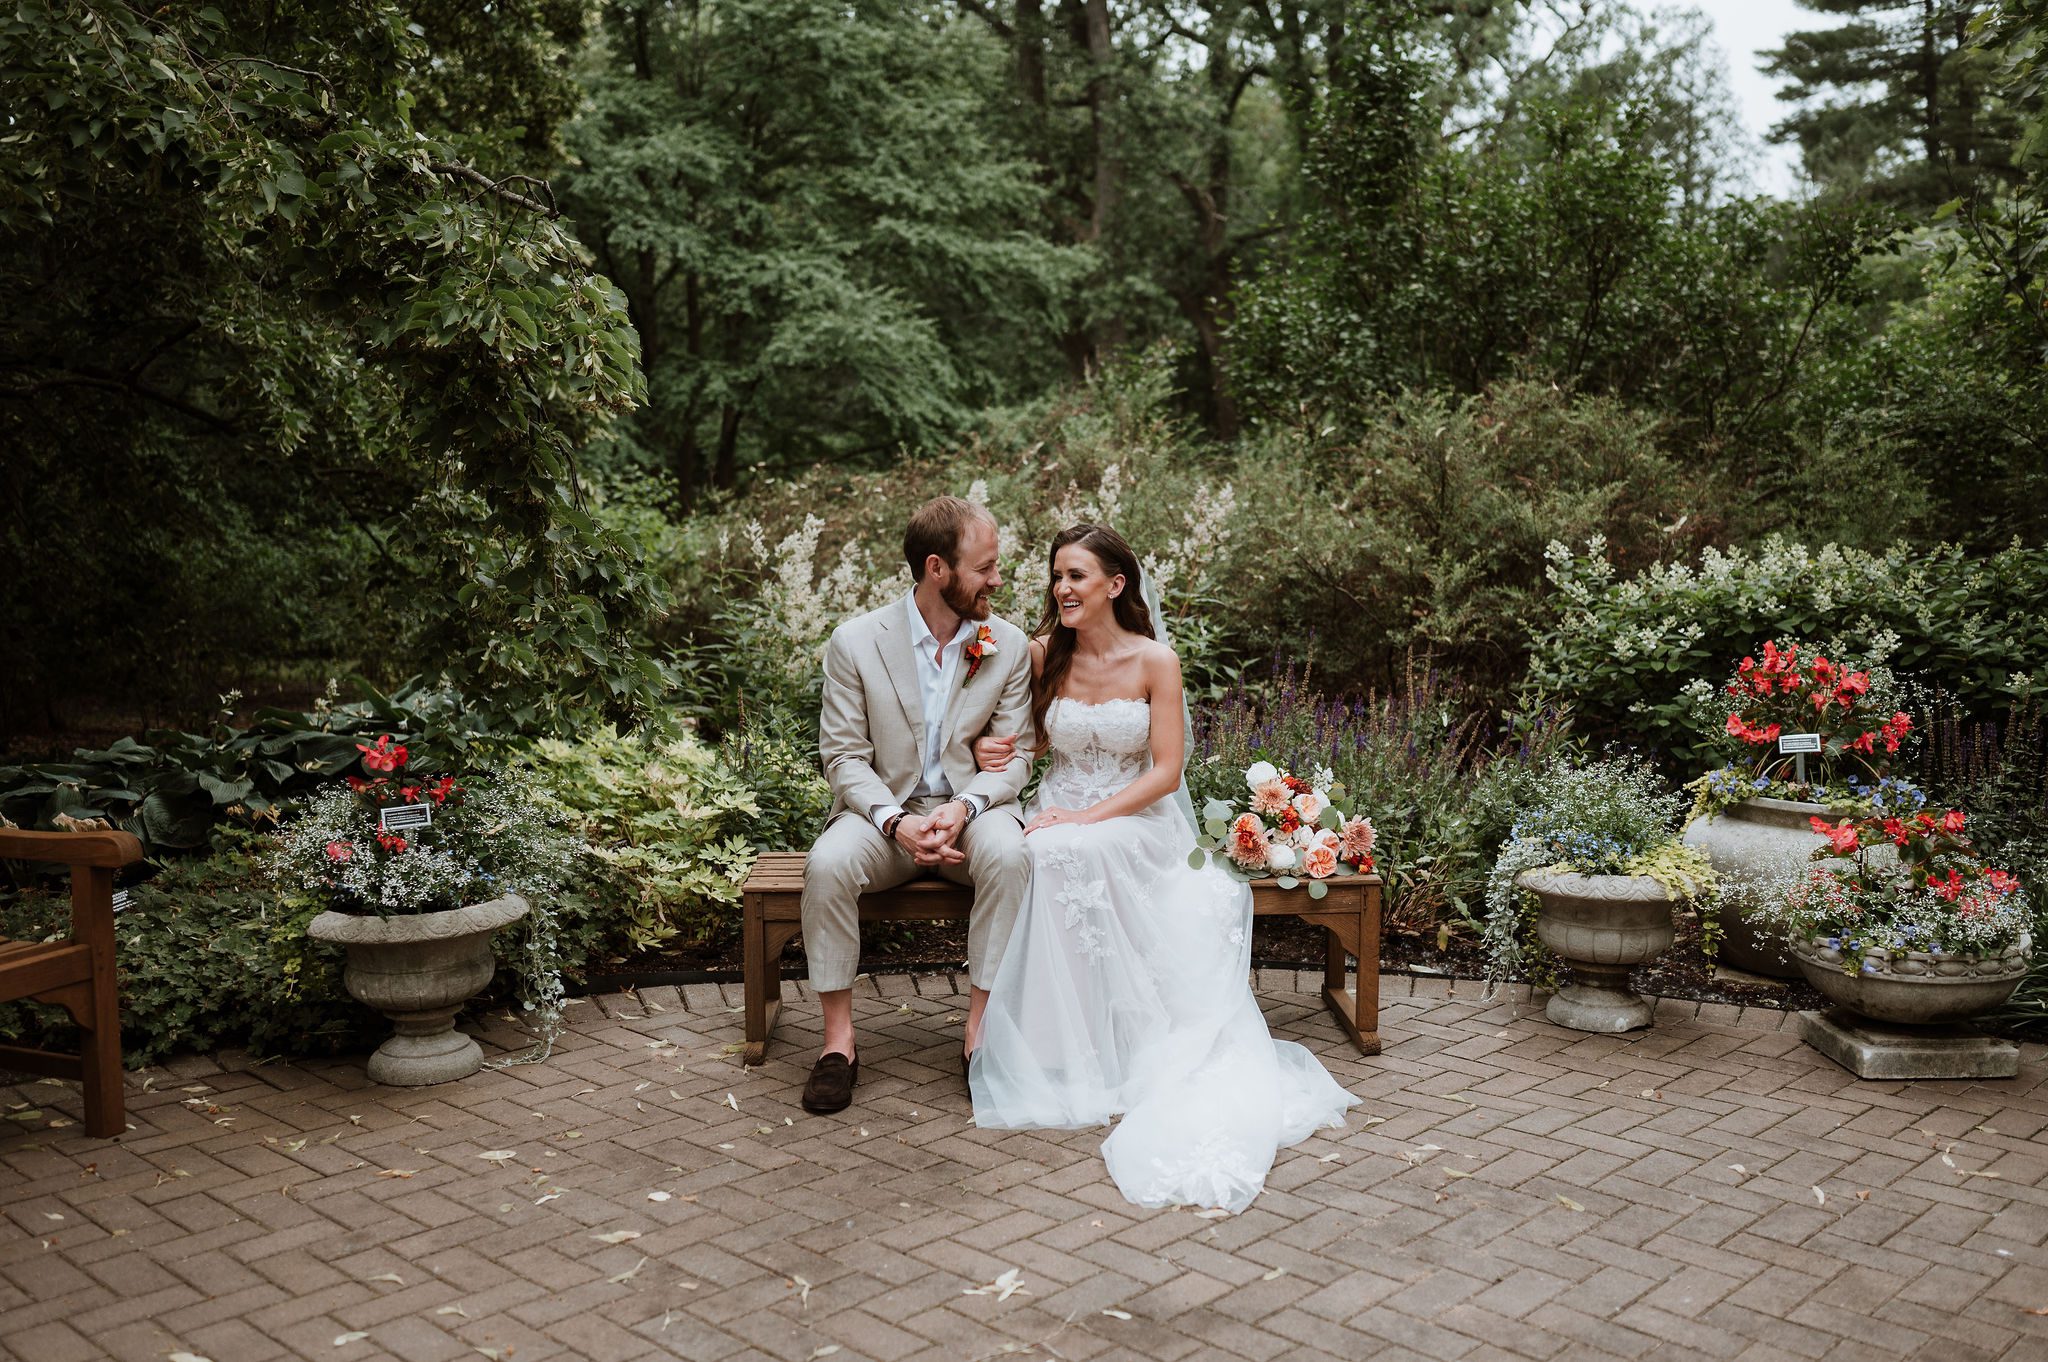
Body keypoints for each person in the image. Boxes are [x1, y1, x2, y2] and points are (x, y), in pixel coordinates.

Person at [967, 523, 1360, 1213]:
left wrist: (1088, 817)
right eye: (1057, 576)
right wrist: (992, 754)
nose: (1061, 588)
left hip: (1135, 819)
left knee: (1071, 848)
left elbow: (1167, 771)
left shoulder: (1156, 660)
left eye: (1076, 576)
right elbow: (1025, 743)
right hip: (1058, 808)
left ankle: (1114, 1049)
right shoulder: (1041, 655)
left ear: (1115, 585)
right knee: (1042, 851)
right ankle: (1059, 1046)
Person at [800, 496, 1035, 1114]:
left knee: (1012, 854)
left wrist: (965, 807)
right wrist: (897, 821)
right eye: (984, 567)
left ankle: (979, 1034)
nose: (998, 580)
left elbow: (1018, 756)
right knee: (827, 865)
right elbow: (844, 757)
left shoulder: (1006, 644)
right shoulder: (856, 642)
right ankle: (838, 1044)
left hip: (971, 814)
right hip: (883, 816)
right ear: (937, 568)